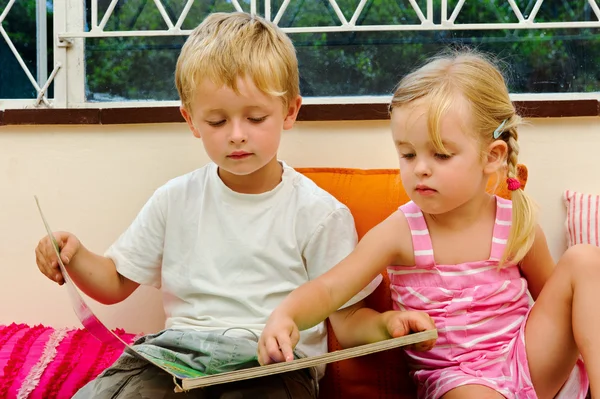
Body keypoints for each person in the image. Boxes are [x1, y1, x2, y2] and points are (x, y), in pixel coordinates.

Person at [34, 12, 434, 399]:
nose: (237, 135)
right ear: (191, 121)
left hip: (272, 365)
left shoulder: (319, 213)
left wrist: (387, 325)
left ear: (290, 112)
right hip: (175, 357)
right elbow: (115, 282)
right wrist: (74, 255)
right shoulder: (175, 200)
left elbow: (346, 320)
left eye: (256, 117)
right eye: (217, 122)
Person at [258, 50, 600, 399]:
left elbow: (557, 306)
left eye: (440, 154)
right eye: (408, 154)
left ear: (492, 157)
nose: (420, 168)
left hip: (530, 360)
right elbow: (330, 290)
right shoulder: (402, 231)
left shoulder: (515, 223)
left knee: (586, 258)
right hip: (459, 379)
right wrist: (287, 315)